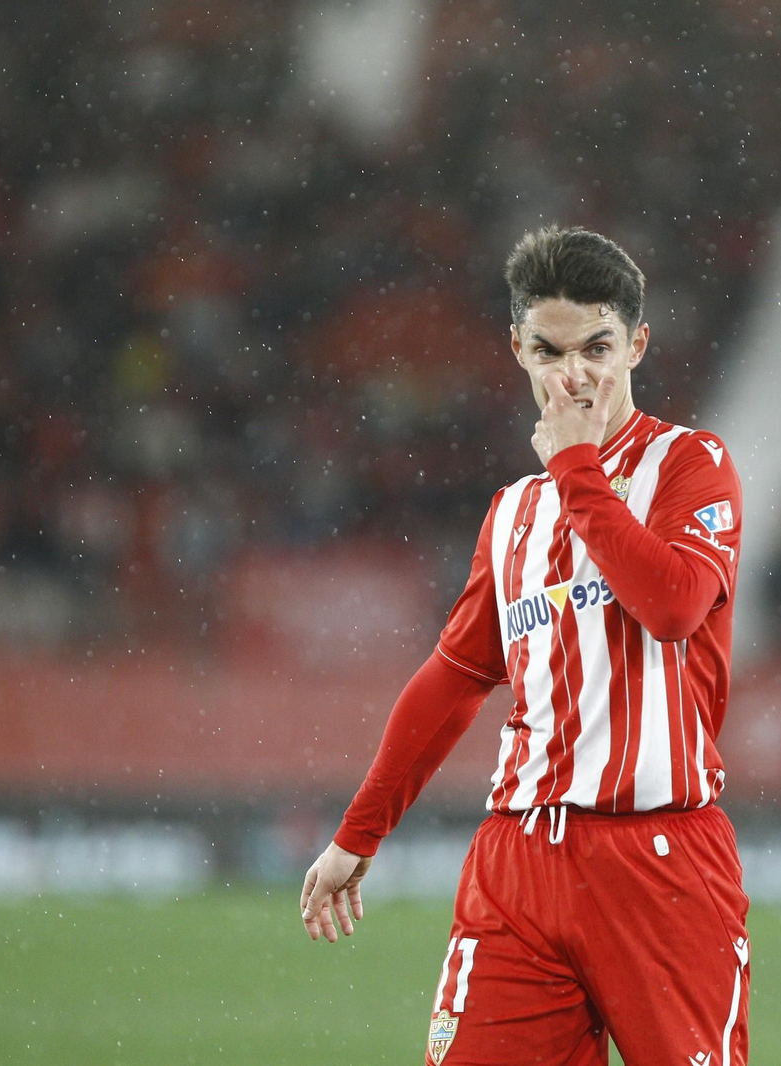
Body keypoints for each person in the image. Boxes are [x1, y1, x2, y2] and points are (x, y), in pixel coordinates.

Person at [299, 225, 749, 1066]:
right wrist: (357, 835)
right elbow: (455, 679)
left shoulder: (693, 466)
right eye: (549, 349)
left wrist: (578, 469)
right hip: (518, 863)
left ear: (638, 344)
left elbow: (675, 607)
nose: (573, 375)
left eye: (598, 347)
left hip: (661, 860)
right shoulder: (512, 513)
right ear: (516, 348)